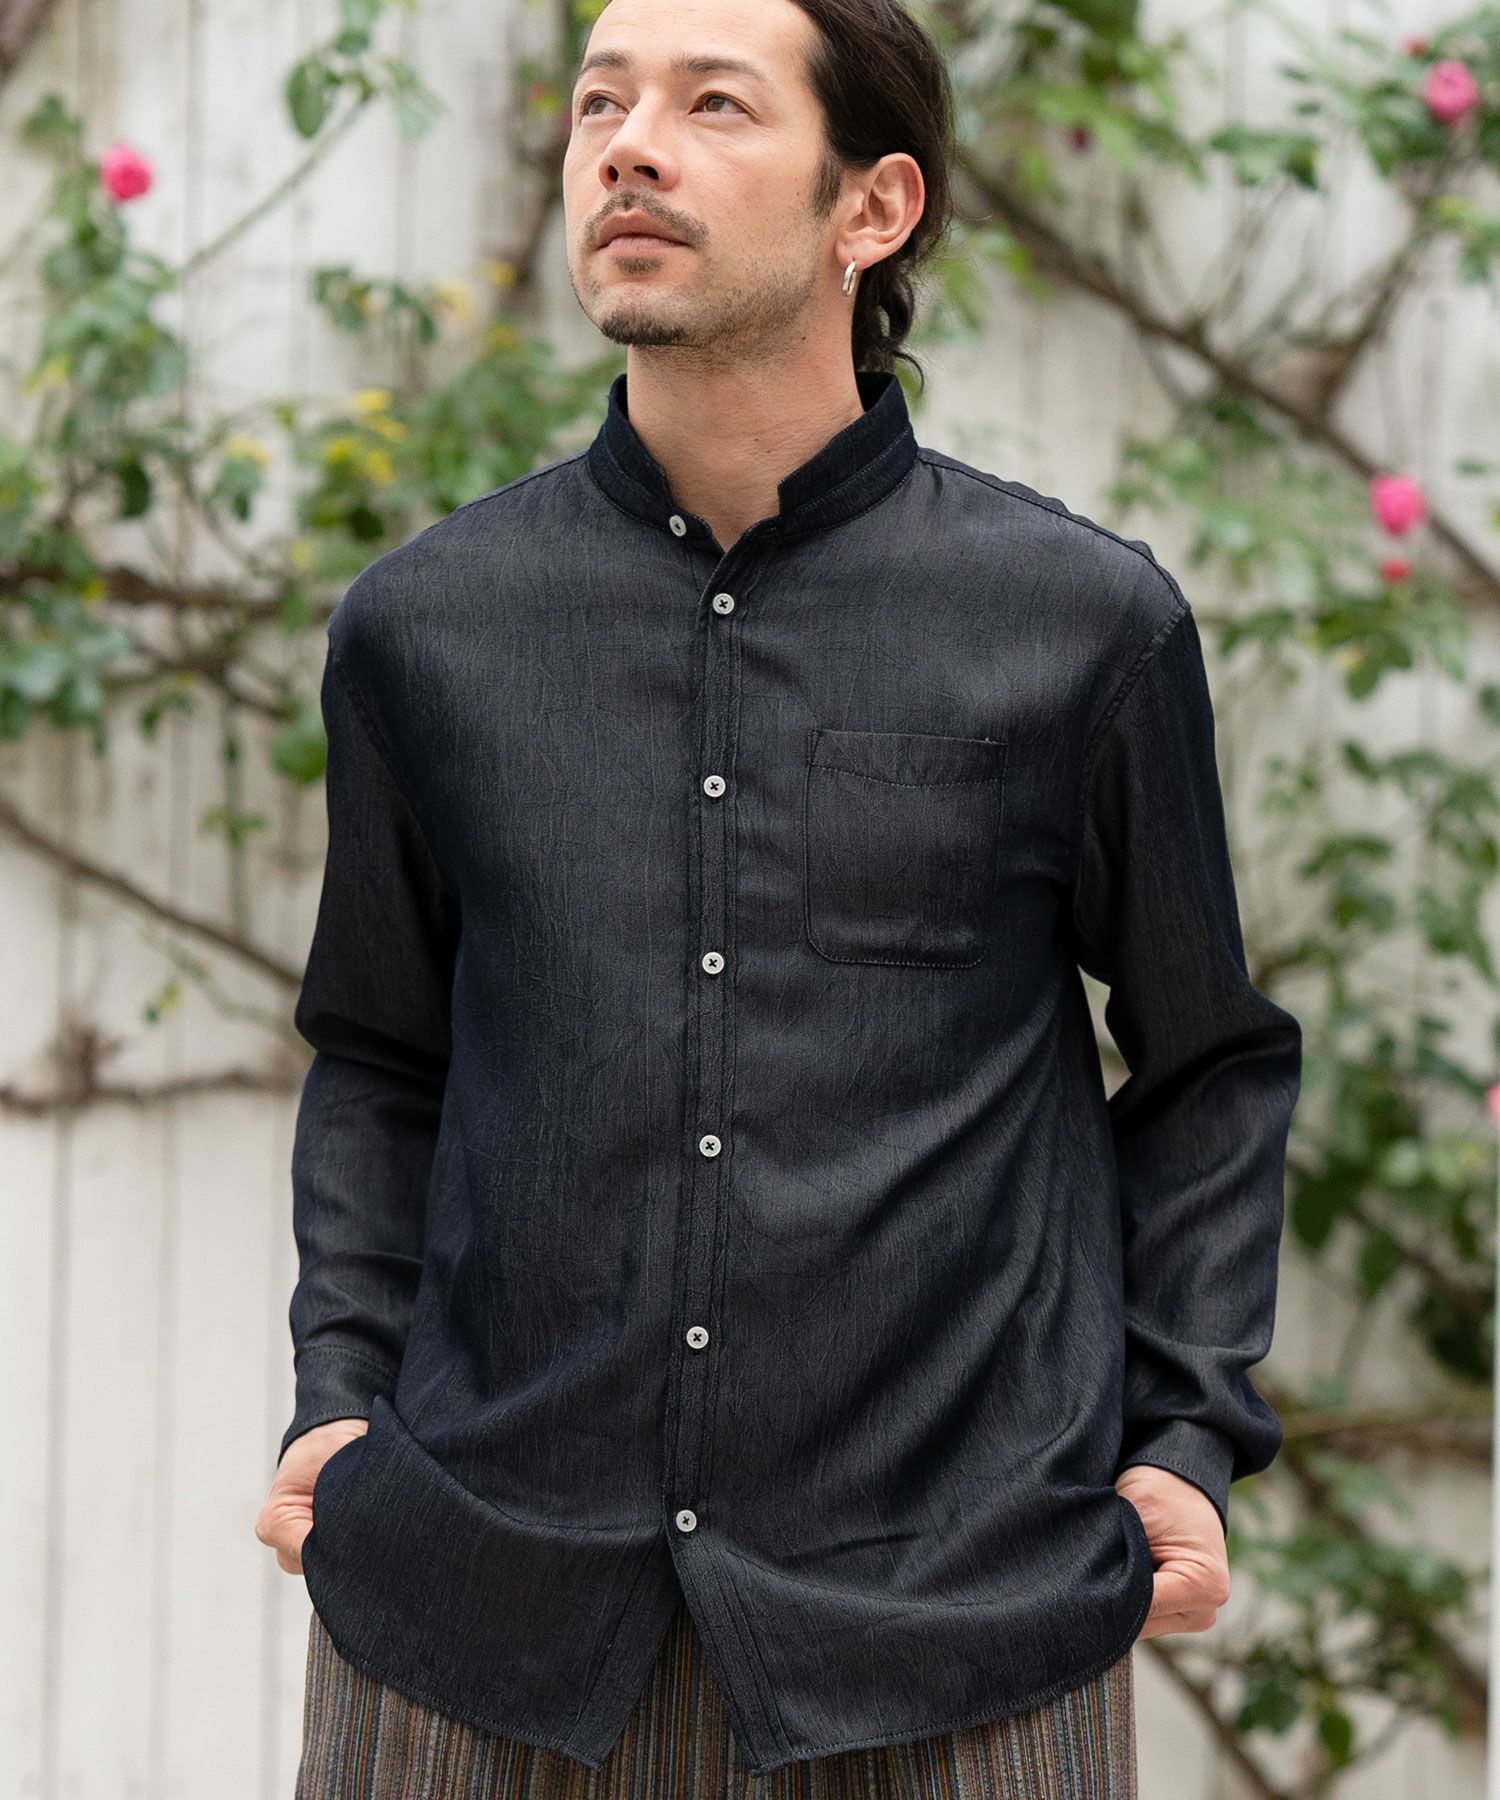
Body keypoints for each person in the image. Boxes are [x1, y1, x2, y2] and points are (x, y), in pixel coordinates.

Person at [254, 0, 1304, 1792]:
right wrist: (340, 1400)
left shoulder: (1080, 626)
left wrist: (1182, 1434)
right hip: (474, 1619)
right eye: (600, 101)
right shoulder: (426, 628)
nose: (628, 144)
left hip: (956, 1631)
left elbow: (1209, 1062)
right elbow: (379, 1052)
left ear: (869, 208)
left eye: (713, 103)